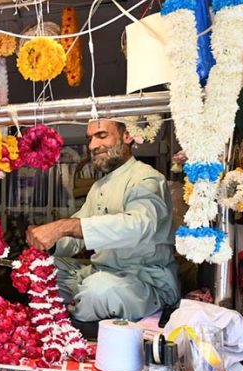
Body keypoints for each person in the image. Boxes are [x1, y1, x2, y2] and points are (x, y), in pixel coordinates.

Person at [26, 118, 180, 322]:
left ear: (127, 136)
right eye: (90, 138)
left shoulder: (146, 179)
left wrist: (62, 227)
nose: (92, 146)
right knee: (38, 270)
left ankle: (77, 314)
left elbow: (139, 225)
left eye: (101, 136)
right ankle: (79, 307)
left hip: (144, 280)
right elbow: (75, 236)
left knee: (96, 292)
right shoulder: (99, 186)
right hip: (98, 272)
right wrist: (48, 242)